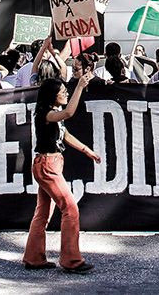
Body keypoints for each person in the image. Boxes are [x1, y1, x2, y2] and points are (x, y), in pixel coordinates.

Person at [22, 75, 100, 274]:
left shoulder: (52, 113)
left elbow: (65, 134)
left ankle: (33, 258)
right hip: (47, 165)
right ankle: (71, 260)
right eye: (62, 92)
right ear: (52, 96)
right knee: (70, 208)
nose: (65, 94)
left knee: (43, 212)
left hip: (51, 163)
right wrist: (80, 87)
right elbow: (69, 112)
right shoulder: (46, 114)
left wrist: (86, 150)